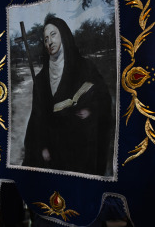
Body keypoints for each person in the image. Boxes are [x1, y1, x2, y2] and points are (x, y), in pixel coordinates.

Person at [22, 17, 112, 175]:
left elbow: (103, 97)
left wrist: (91, 110)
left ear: (63, 34)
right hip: (52, 151)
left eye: (53, 34)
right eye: (46, 39)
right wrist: (42, 146)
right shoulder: (41, 79)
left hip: (80, 149)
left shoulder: (85, 67)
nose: (50, 41)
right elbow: (37, 118)